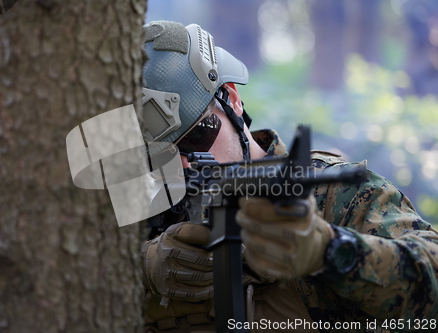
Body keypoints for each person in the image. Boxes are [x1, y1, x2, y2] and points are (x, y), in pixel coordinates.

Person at [140, 21, 438, 333]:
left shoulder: (330, 195)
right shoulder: (141, 208)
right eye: (158, 157)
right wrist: (142, 269)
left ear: (233, 100)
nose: (185, 166)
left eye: (195, 138)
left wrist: (329, 251)